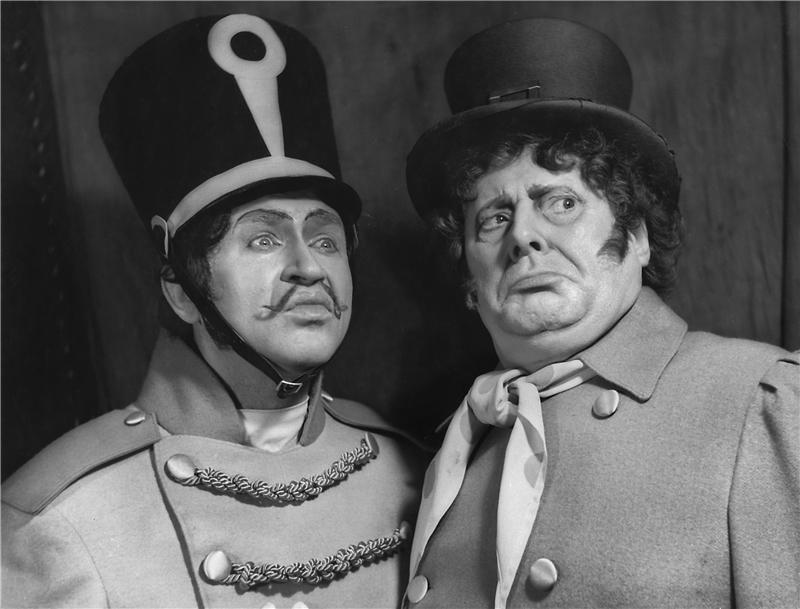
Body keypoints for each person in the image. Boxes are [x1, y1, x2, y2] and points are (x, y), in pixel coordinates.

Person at [2, 14, 422, 608]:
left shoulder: (412, 466)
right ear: (181, 291)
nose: (307, 267)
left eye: (325, 238)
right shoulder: (58, 520)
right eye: (263, 239)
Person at [402, 18, 799, 609]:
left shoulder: (762, 404)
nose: (523, 236)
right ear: (469, 277)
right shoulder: (456, 447)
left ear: (636, 236)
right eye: (494, 218)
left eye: (561, 202)